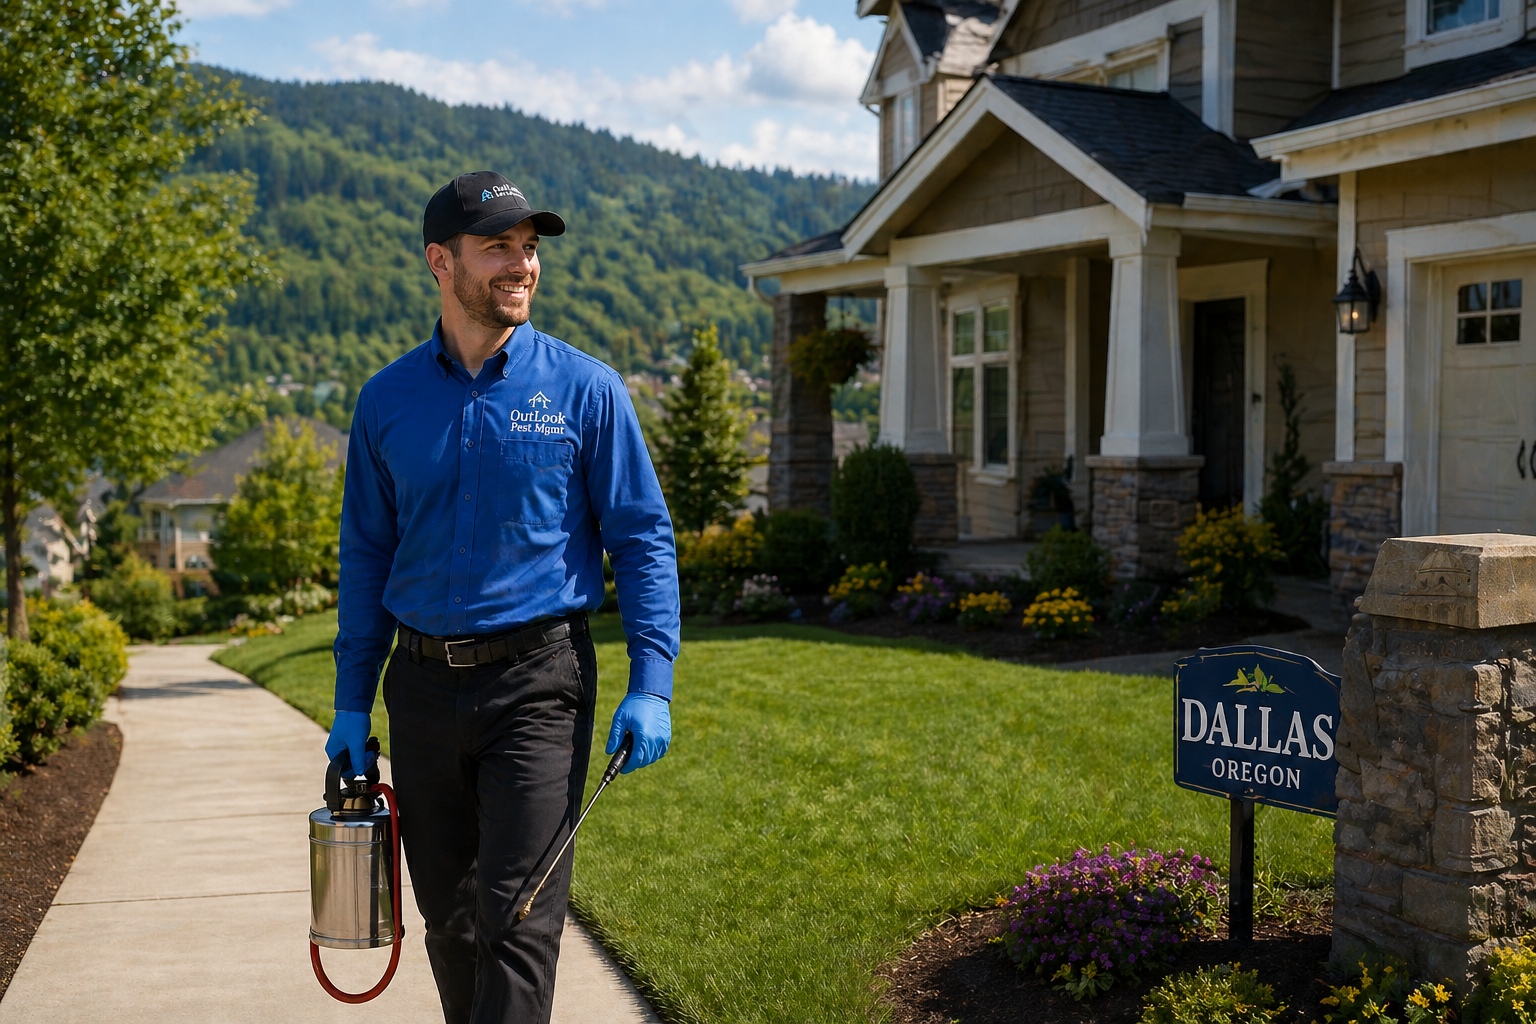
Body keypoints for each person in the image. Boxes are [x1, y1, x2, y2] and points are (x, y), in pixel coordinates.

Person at [325, 170, 679, 1024]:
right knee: (450, 927)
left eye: (529, 249)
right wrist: (348, 704)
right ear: (440, 262)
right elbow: (367, 558)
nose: (522, 265)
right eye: (499, 248)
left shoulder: (587, 391)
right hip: (418, 691)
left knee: (516, 922)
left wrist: (652, 682)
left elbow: (641, 537)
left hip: (539, 685)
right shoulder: (386, 401)